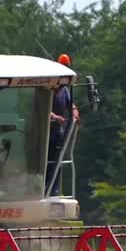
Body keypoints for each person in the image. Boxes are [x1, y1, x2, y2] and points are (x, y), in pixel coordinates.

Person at [46, 53, 80, 196]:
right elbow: (41, 110)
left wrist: (74, 111)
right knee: (45, 162)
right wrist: (54, 116)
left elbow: (69, 104)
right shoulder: (45, 88)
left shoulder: (65, 90)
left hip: (57, 132)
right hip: (43, 133)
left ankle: (53, 189)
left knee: (57, 160)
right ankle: (43, 188)